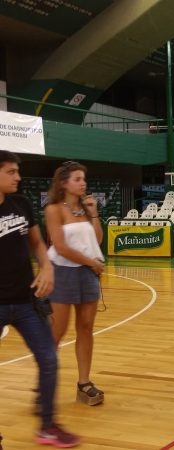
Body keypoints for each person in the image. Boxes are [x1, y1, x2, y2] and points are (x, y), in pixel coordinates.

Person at [0, 150, 80, 447]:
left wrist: (46, 267)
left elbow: (36, 243)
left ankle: (48, 426)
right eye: (11, 172)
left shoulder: (21, 203)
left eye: (17, 171)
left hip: (26, 301)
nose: (18, 177)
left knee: (48, 359)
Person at [44, 161, 105, 406]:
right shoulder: (54, 209)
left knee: (86, 327)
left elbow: (97, 240)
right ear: (63, 183)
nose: (83, 183)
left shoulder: (84, 209)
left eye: (84, 179)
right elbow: (60, 247)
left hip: (87, 273)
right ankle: (45, 384)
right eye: (77, 179)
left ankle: (84, 383)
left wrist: (94, 213)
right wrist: (92, 263)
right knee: (57, 331)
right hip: (63, 272)